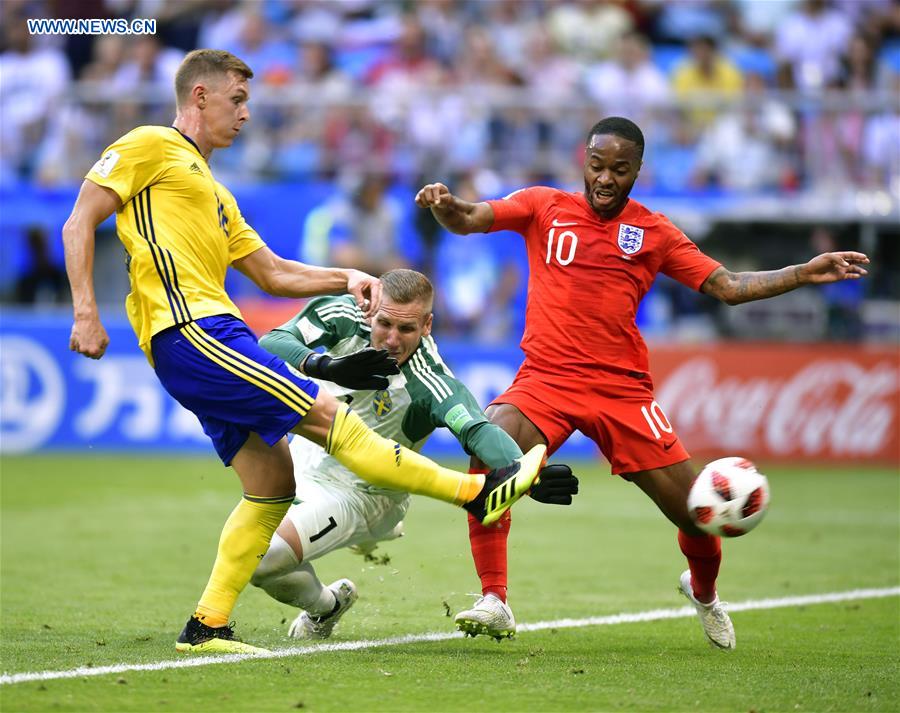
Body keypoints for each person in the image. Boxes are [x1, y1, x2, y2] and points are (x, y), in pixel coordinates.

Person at [62, 49, 560, 656]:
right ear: (199, 96)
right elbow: (78, 221)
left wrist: (345, 276)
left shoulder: (215, 193)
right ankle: (474, 494)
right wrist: (85, 311)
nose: (245, 113)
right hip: (193, 328)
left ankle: (207, 626)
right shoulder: (149, 144)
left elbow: (272, 272)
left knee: (272, 482)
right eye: (237, 100)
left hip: (203, 336)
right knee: (330, 418)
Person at [415, 116, 869, 650]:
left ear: (637, 171)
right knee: (489, 445)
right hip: (547, 379)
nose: (605, 178)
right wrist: (446, 206)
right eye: (597, 166)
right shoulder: (543, 205)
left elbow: (728, 286)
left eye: (619, 169)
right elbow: (470, 217)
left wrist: (802, 273)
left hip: (622, 392)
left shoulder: (653, 231)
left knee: (697, 512)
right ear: (584, 162)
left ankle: (704, 593)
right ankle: (495, 599)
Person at [250, 269, 577, 640]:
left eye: (406, 329)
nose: (391, 340)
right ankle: (328, 605)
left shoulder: (429, 380)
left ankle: (323, 605)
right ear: (372, 309)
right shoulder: (344, 315)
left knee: (263, 558)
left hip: (362, 493)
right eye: (385, 324)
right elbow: (272, 341)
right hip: (304, 457)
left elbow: (476, 430)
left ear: (427, 325)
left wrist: (528, 473)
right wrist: (325, 365)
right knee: (247, 553)